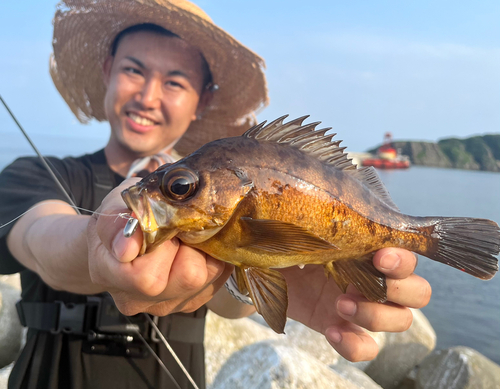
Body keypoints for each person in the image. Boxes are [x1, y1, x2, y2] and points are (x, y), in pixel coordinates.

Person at [0, 0, 431, 388]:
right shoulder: (37, 174)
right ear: (108, 69)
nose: (148, 96)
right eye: (134, 70)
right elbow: (39, 238)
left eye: (174, 82)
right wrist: (95, 242)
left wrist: (261, 272)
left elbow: (231, 303)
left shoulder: (218, 200)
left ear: (202, 99)